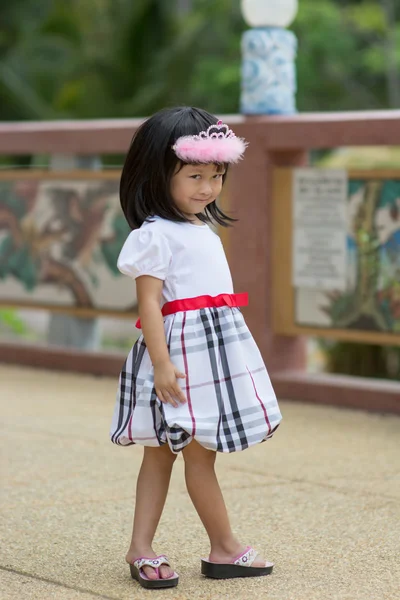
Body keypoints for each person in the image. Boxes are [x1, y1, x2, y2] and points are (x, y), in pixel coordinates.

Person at [110, 106, 282, 589]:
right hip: (178, 361)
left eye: (216, 175)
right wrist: (161, 365)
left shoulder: (199, 229)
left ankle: (158, 548)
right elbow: (149, 304)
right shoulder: (155, 235)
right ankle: (214, 547)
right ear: (157, 174)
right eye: (194, 176)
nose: (207, 188)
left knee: (180, 452)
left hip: (208, 356)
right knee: (178, 453)